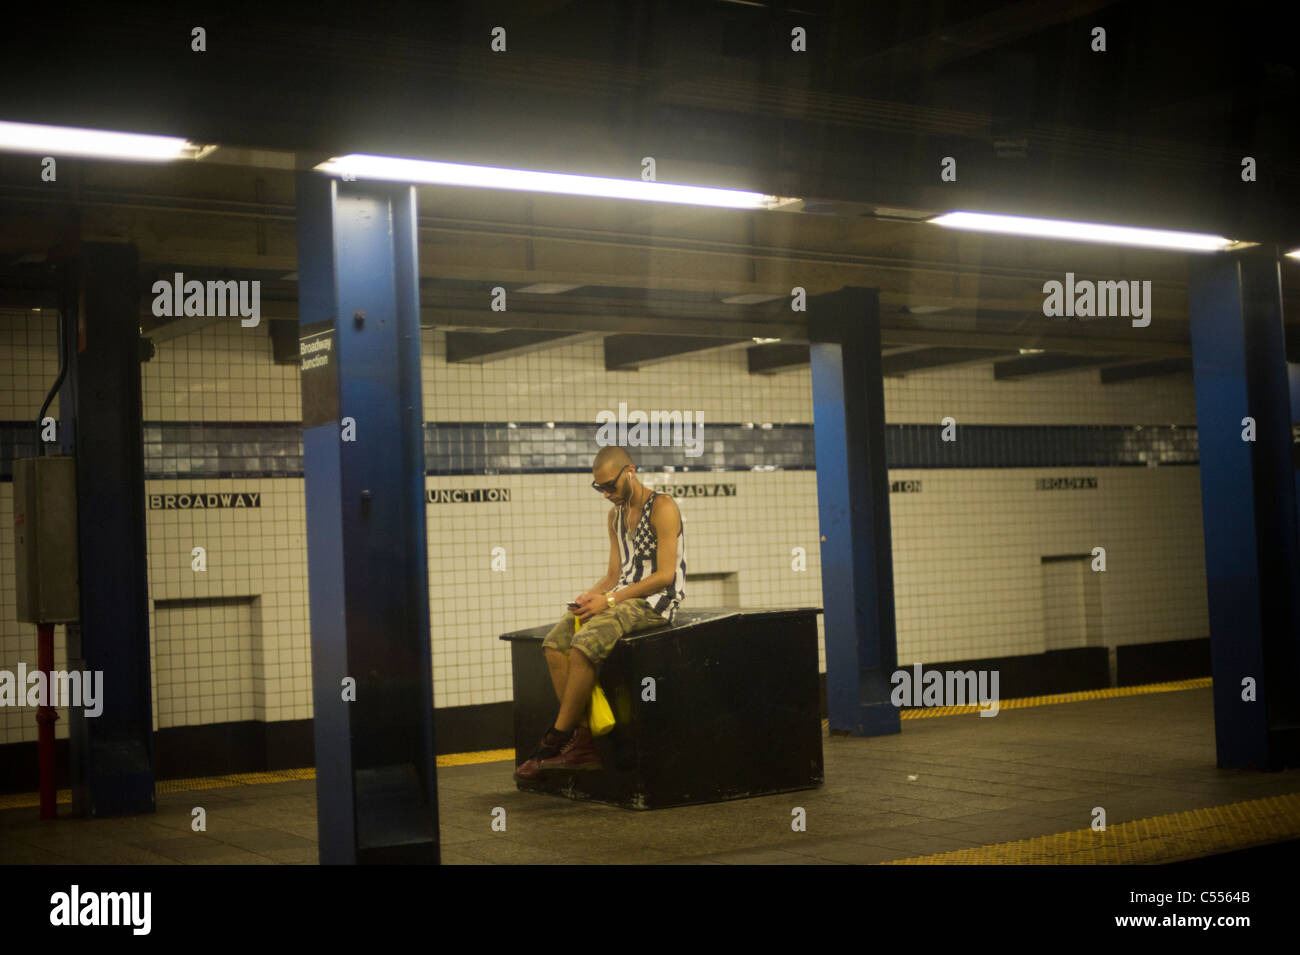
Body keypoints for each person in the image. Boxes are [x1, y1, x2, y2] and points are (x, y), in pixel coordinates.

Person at [514, 446, 686, 780]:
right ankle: (583, 741)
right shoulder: (615, 516)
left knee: (585, 643)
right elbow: (613, 575)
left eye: (610, 485)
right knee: (554, 643)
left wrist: (608, 602)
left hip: (656, 602)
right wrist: (590, 596)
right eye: (600, 488)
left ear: (630, 471)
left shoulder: (662, 507)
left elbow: (665, 575)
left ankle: (557, 739)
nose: (606, 493)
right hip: (620, 597)